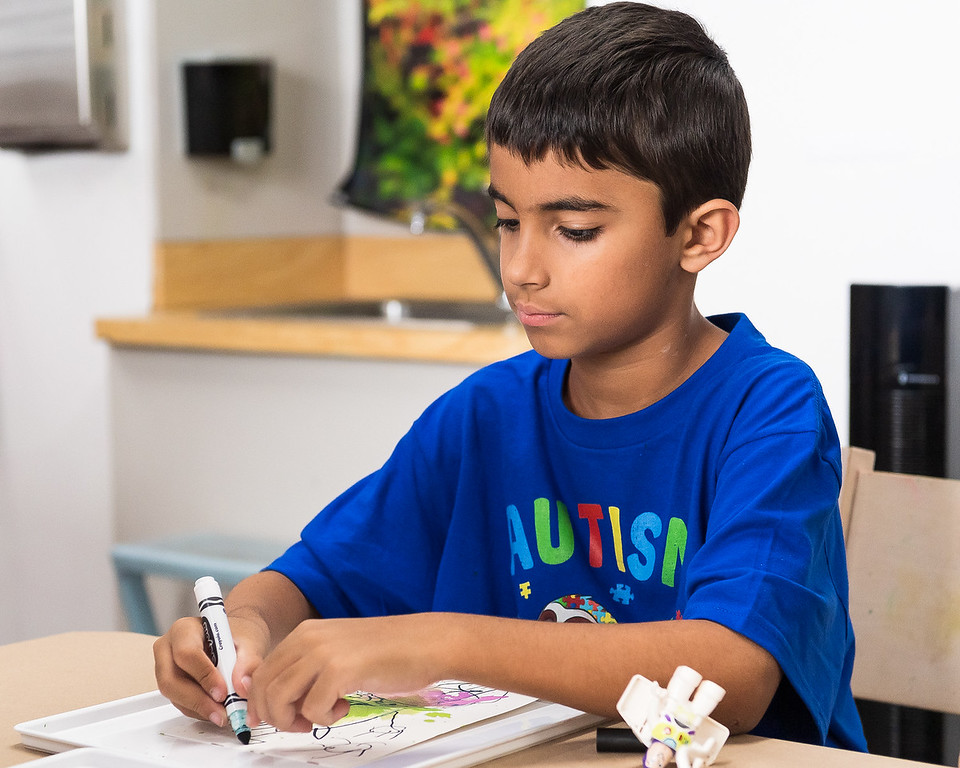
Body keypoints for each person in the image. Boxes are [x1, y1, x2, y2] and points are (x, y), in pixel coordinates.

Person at [154, 2, 867, 751]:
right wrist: (241, 629)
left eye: (575, 230)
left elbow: (733, 671)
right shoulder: (483, 416)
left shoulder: (768, 409)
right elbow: (311, 579)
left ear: (699, 234)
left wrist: (441, 643)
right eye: (506, 221)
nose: (522, 269)